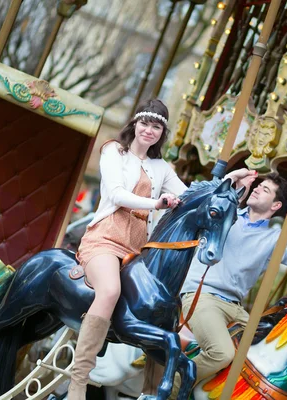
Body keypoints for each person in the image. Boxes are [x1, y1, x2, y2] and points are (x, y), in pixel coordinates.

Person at [168, 172, 287, 395]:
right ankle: (170, 389)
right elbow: (206, 200)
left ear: (275, 205)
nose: (257, 189)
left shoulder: (273, 238)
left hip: (234, 306)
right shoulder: (228, 214)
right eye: (259, 185)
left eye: (265, 189)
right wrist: (232, 181)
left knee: (265, 354)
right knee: (222, 353)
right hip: (202, 294)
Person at [68, 99, 187, 400]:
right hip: (106, 238)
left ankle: (152, 390)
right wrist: (157, 204)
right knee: (109, 291)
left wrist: (227, 182)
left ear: (162, 133)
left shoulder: (161, 167)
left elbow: (189, 195)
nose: (149, 130)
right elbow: (118, 195)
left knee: (164, 307)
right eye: (145, 123)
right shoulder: (113, 152)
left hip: (137, 247)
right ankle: (78, 381)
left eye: (156, 126)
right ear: (134, 124)